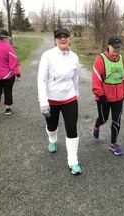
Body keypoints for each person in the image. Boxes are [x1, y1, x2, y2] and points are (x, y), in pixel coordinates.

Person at [37, 28, 81, 175]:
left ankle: (73, 161)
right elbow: (41, 80)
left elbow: (75, 77)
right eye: (59, 37)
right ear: (55, 40)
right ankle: (52, 139)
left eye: (66, 37)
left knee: (72, 128)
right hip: (51, 99)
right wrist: (43, 102)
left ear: (69, 39)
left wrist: (76, 93)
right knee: (52, 125)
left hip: (69, 98)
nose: (63, 39)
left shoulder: (74, 57)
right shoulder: (47, 56)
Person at [91, 34, 124, 156]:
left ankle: (113, 143)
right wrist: (100, 94)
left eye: (118, 47)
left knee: (117, 120)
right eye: (114, 47)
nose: (116, 50)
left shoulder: (121, 58)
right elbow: (96, 78)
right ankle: (96, 125)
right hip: (104, 97)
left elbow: (123, 77)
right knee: (103, 119)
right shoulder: (100, 59)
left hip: (118, 97)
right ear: (108, 46)